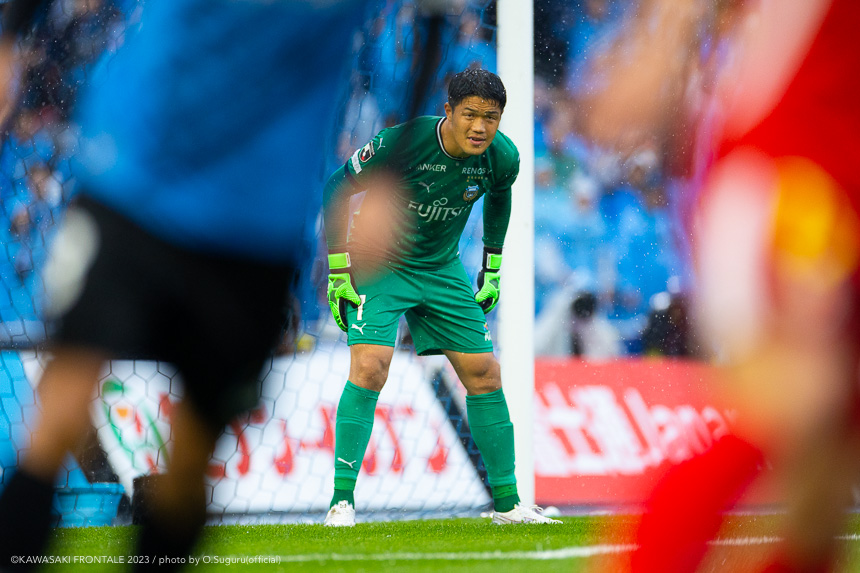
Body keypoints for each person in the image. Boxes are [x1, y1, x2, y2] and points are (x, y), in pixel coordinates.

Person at [0, 0, 368, 569]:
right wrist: (10, 36)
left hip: (256, 226)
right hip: (130, 180)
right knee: (58, 412)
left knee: (188, 466)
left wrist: (391, 173)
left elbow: (433, 19)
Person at [586, 0, 860, 571]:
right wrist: (648, 63)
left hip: (837, 182)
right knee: (796, 398)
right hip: (790, 182)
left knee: (825, 475)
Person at [322, 68, 560, 527]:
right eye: (470, 114)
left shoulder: (502, 157)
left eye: (491, 118)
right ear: (448, 110)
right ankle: (341, 503)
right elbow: (337, 187)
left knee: (484, 373)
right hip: (379, 261)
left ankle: (508, 506)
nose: (480, 127)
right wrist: (338, 271)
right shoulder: (402, 143)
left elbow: (500, 196)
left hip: (440, 267)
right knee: (371, 366)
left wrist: (492, 268)